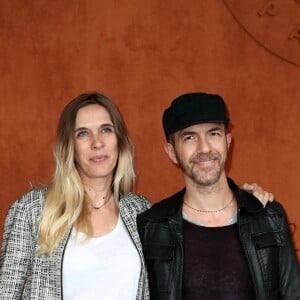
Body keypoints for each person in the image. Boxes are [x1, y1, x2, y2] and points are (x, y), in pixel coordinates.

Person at [0, 92, 273, 300]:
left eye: (106, 130)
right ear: (68, 146)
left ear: (119, 140)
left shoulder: (138, 211)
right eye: (83, 133)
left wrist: (245, 200)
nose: (97, 142)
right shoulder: (34, 210)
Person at [137, 92, 300, 300]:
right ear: (171, 152)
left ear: (228, 141)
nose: (204, 148)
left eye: (214, 134)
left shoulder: (268, 217)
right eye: (189, 137)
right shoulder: (151, 226)